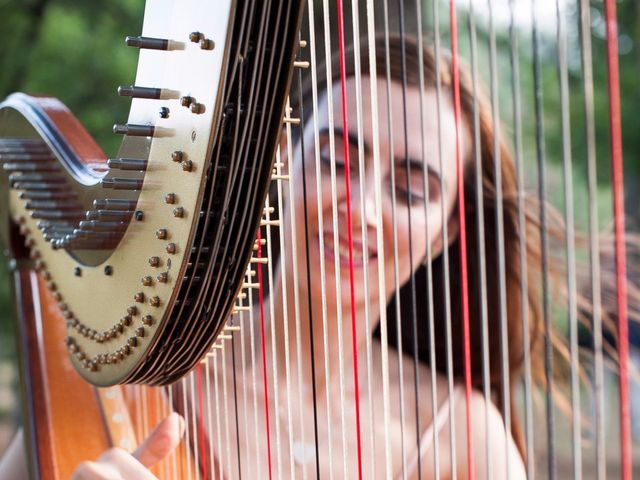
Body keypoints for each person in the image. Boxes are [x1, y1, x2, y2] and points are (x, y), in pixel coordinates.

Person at [3, 35, 570, 479]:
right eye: (336, 160)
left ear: (446, 234)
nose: (361, 209)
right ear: (283, 165)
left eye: (410, 190)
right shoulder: (127, 378)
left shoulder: (460, 438)